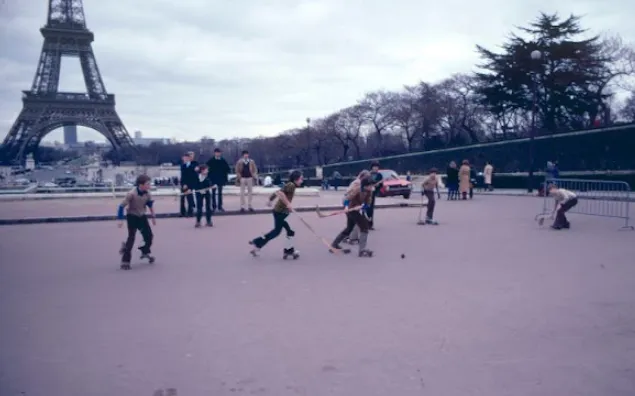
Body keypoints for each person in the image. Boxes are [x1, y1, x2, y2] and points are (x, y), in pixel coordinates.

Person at [249, 171, 303, 259]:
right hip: (280, 212)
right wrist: (288, 204)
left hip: (280, 212)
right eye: (301, 179)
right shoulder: (291, 185)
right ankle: (258, 242)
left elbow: (278, 192)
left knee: (286, 231)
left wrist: (270, 200)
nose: (302, 181)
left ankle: (258, 245)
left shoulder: (290, 185)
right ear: (296, 179)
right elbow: (281, 193)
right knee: (277, 232)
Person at [117, 174, 156, 270]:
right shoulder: (131, 194)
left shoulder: (147, 193)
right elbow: (121, 206)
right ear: (140, 184)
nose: (149, 185)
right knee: (131, 238)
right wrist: (120, 219)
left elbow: (150, 204)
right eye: (147, 184)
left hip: (142, 216)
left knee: (149, 236)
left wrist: (153, 216)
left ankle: (144, 250)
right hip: (132, 216)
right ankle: (125, 261)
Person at [330, 178, 374, 257]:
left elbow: (368, 203)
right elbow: (347, 199)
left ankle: (334, 244)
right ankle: (362, 250)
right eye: (370, 185)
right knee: (364, 227)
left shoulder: (369, 192)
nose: (371, 187)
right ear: (365, 186)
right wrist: (346, 207)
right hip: (350, 209)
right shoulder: (357, 190)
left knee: (349, 228)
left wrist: (362, 206)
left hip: (356, 210)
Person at [344, 170, 371, 245]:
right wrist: (347, 206)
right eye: (367, 177)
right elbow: (350, 195)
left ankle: (347, 237)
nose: (368, 179)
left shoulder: (364, 185)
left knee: (352, 223)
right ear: (362, 176)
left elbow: (366, 200)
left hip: (355, 204)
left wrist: (363, 207)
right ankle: (352, 238)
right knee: (355, 222)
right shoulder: (358, 183)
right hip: (350, 202)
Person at [206, 148, 230, 212]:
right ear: (214, 153)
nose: (218, 154)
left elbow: (227, 169)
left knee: (220, 193)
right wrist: (209, 178)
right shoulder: (211, 161)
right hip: (213, 179)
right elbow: (207, 169)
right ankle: (214, 206)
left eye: (219, 153)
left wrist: (225, 178)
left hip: (220, 179)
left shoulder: (223, 160)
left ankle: (220, 206)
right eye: (216, 153)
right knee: (213, 193)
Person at [180, 152, 198, 217]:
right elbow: (183, 176)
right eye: (184, 158)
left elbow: (192, 176)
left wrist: (188, 184)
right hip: (183, 184)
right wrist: (183, 184)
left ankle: (190, 212)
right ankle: (182, 212)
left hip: (189, 184)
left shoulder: (192, 166)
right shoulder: (182, 165)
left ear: (188, 158)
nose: (185, 159)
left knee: (189, 198)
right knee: (182, 199)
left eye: (186, 158)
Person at [367, 162, 383, 229]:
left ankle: (370, 224)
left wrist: (377, 186)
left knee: (371, 209)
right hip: (366, 193)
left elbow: (381, 185)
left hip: (372, 194)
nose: (376, 168)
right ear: (372, 167)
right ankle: (364, 223)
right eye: (375, 167)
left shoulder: (379, 175)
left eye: (377, 167)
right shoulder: (368, 174)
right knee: (366, 208)